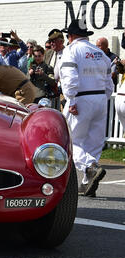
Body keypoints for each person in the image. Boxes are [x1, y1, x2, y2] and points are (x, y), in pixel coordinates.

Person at [59, 19, 114, 197]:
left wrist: (71, 99)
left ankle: (90, 168)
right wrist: (102, 98)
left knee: (72, 141)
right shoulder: (99, 52)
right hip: (100, 98)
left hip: (81, 98)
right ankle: (87, 182)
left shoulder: (71, 50)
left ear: (71, 36)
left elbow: (69, 77)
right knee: (94, 143)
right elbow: (109, 82)